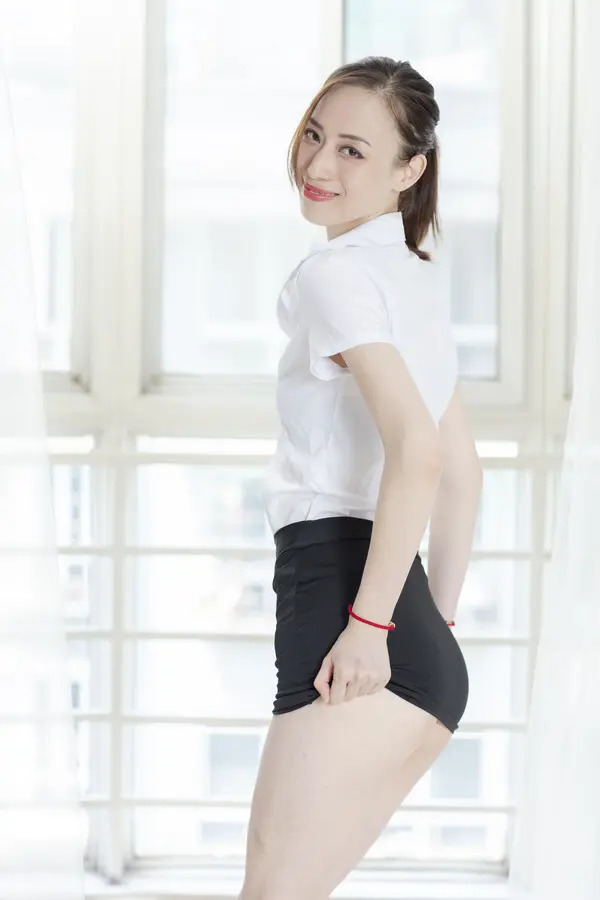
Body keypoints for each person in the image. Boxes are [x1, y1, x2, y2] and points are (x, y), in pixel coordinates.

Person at [241, 57, 483, 900]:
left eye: (352, 150)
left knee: (272, 891)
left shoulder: (336, 277)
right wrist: (430, 626)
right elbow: (463, 471)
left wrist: (373, 626)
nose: (316, 164)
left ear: (409, 171)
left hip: (342, 591)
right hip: (401, 624)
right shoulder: (409, 279)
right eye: (314, 135)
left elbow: (420, 452)